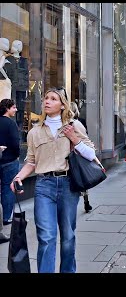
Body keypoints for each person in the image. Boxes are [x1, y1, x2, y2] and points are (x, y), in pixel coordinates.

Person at [10, 87, 96, 273]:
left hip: (68, 186)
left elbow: (91, 154)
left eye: (53, 99)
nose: (47, 101)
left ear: (62, 104)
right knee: (47, 237)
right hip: (44, 186)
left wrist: (74, 137)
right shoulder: (34, 132)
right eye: (45, 98)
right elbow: (31, 161)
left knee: (67, 236)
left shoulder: (75, 126)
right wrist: (18, 177)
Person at [0, 99, 20, 226]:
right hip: (9, 161)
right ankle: (6, 217)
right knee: (8, 189)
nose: (16, 110)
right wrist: (17, 155)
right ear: (7, 108)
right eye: (13, 107)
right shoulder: (11, 124)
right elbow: (14, 143)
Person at [70, 102, 92, 213]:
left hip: (77, 155)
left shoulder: (77, 123)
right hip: (73, 156)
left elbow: (85, 138)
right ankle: (85, 200)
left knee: (80, 178)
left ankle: (85, 200)